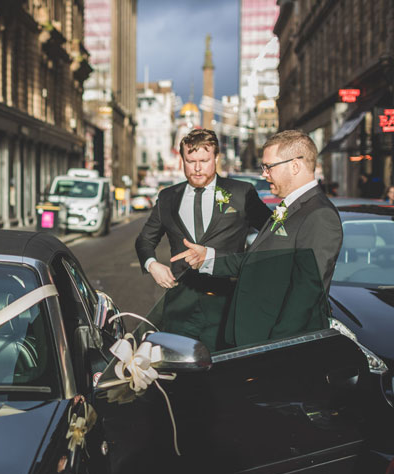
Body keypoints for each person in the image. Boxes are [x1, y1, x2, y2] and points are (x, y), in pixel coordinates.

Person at [173, 130, 343, 347]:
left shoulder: (319, 214)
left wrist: (275, 348)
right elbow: (259, 259)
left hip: (275, 346)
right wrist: (207, 258)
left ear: (295, 166)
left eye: (269, 167)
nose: (264, 174)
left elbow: (305, 294)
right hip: (253, 336)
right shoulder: (289, 207)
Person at [134, 129, 271, 350]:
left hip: (227, 303)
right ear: (182, 161)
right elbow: (144, 240)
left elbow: (272, 237)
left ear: (216, 158)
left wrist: (216, 258)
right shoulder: (167, 197)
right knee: (180, 375)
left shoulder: (241, 193)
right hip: (180, 306)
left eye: (204, 160)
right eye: (191, 161)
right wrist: (152, 265)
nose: (197, 168)